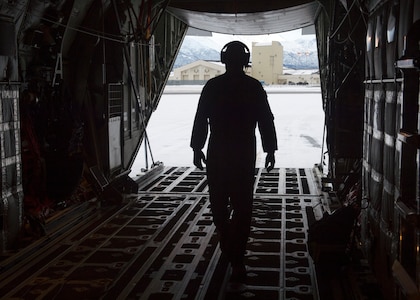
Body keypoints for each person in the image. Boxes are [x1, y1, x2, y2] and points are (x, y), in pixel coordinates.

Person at [190, 41, 278, 286]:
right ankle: (237, 257)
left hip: (218, 151)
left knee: (218, 205)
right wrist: (270, 149)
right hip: (243, 152)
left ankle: (229, 245)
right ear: (245, 61)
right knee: (243, 207)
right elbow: (265, 120)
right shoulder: (253, 87)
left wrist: (197, 147)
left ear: (224, 60)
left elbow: (201, 119)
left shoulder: (213, 86)